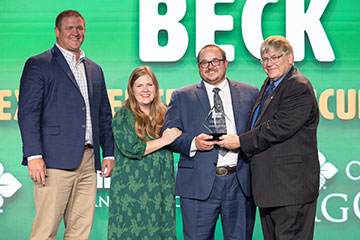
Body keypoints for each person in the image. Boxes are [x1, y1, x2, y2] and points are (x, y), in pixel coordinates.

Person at [18, 10, 114, 239]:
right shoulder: (38, 64)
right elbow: (28, 114)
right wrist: (34, 156)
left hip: (89, 162)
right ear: (57, 31)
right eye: (69, 28)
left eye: (79, 28)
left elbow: (104, 115)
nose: (75, 32)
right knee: (45, 231)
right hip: (52, 162)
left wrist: (108, 153)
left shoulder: (94, 69)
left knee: (80, 231)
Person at [217, 36, 320, 240]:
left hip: (291, 188)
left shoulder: (297, 85)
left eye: (275, 57)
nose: (269, 63)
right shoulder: (270, 84)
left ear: (290, 58)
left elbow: (280, 126)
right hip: (271, 188)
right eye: (264, 58)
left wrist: (240, 142)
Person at [163, 44, 258, 240]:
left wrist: (241, 142)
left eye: (215, 61)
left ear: (225, 63)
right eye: (204, 62)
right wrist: (193, 143)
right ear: (198, 67)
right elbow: (169, 136)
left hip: (240, 183)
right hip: (199, 184)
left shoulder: (251, 93)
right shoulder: (182, 96)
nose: (210, 66)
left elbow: (260, 134)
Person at [108, 66, 182, 240]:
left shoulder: (166, 114)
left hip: (161, 186)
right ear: (132, 90)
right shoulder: (123, 116)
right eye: (139, 85)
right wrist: (164, 140)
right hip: (132, 191)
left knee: (162, 230)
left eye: (149, 84)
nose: (145, 90)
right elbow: (132, 148)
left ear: (156, 88)